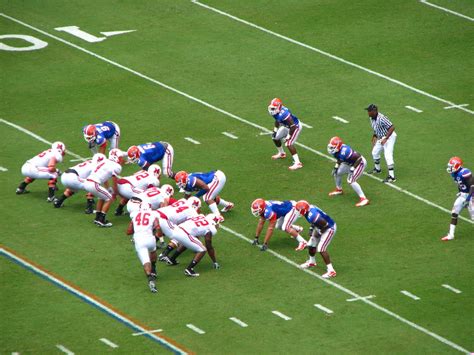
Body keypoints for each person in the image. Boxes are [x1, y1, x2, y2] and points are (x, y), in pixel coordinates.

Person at [295, 200, 337, 279]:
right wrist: (311, 229)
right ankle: (312, 262)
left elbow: (325, 225)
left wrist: (320, 233)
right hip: (320, 226)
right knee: (311, 244)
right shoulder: (309, 210)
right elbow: (314, 222)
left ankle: (331, 271)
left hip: (329, 228)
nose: (297, 212)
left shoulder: (313, 215)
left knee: (321, 248)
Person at [83, 148, 124, 227]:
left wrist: (108, 188)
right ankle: (101, 220)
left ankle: (97, 217)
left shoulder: (104, 161)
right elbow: (114, 181)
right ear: (117, 157)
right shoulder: (116, 166)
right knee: (109, 198)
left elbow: (104, 178)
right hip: (93, 184)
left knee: (102, 197)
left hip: (87, 181)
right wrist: (115, 193)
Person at [327, 136, 369, 207]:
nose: (330, 149)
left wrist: (353, 168)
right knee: (337, 173)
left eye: (332, 147)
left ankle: (364, 199)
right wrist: (336, 167)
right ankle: (339, 190)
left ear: (338, 146)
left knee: (351, 180)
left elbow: (359, 158)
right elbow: (340, 158)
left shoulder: (345, 151)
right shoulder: (337, 151)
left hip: (359, 163)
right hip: (349, 162)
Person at [126, 202, 158, 293]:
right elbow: (157, 226)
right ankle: (154, 268)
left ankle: (150, 277)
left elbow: (128, 231)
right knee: (153, 250)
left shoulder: (135, 215)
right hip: (150, 239)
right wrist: (157, 232)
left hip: (139, 240)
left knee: (145, 261)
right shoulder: (153, 214)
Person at [442, 157, 474, 241]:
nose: (449, 167)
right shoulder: (454, 173)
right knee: (454, 213)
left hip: (471, 196)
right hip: (462, 196)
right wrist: (460, 192)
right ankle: (451, 234)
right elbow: (460, 185)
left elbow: (472, 186)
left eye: (451, 166)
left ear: (456, 165)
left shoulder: (464, 172)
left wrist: (468, 199)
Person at [268, 98, 303, 170]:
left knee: (288, 143)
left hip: (295, 127)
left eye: (273, 108)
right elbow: (277, 120)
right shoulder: (276, 111)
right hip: (286, 126)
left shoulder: (284, 114)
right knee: (274, 137)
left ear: (278, 107)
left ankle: (298, 163)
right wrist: (275, 130)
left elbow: (293, 126)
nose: (272, 110)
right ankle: (281, 153)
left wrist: (288, 136)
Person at [366, 104, 397, 183]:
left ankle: (392, 177)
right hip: (381, 137)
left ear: (374, 111)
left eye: (369, 111)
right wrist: (374, 136)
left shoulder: (381, 118)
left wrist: (386, 138)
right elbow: (376, 128)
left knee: (388, 155)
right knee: (375, 152)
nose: (368, 113)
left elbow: (392, 127)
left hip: (389, 137)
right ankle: (377, 169)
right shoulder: (371, 118)